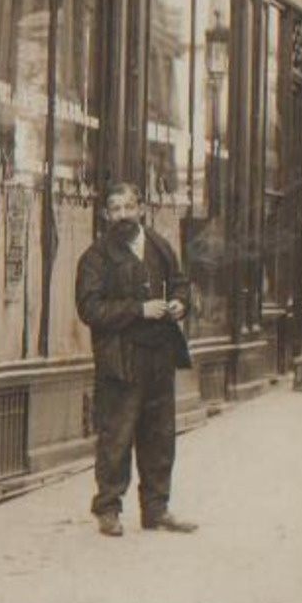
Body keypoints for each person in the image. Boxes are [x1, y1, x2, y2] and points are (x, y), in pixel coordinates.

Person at [77, 181, 197, 538]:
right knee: (117, 434)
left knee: (159, 436)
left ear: (141, 209)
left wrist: (179, 303)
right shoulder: (96, 257)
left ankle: (156, 509)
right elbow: (89, 308)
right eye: (115, 209)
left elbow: (180, 282)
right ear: (105, 215)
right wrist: (138, 309)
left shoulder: (159, 246)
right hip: (120, 359)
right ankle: (109, 509)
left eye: (129, 207)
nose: (123, 216)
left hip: (159, 356)